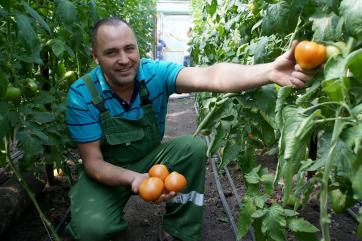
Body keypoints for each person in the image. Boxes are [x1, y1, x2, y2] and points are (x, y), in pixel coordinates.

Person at [66, 17, 313, 241]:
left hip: (150, 161)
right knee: (92, 230)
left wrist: (269, 71)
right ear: (96, 57)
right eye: (111, 52)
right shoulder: (82, 94)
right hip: (106, 173)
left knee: (193, 147)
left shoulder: (154, 74)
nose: (123, 59)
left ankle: (179, 228)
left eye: (129, 48)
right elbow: (93, 164)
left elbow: (211, 76)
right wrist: (135, 179)